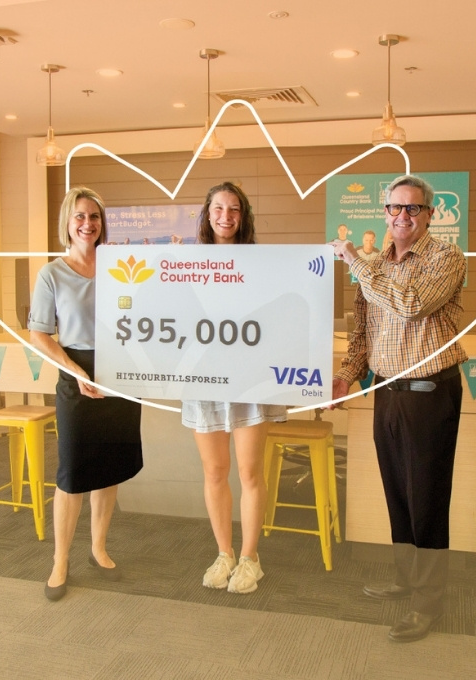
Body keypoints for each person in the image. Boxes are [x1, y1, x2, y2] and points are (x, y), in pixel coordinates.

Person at [329, 175, 467, 642]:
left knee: (427, 494)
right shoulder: (376, 263)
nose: (402, 217)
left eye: (413, 209)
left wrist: (355, 262)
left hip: (430, 391)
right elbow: (362, 330)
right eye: (395, 208)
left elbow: (410, 305)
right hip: (386, 390)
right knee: (398, 490)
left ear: (429, 215)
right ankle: (406, 578)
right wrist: (348, 372)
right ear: (384, 213)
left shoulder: (446, 258)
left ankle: (428, 603)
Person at [28, 186, 143, 601]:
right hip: (75, 371)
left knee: (109, 466)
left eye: (94, 216)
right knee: (73, 471)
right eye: (80, 216)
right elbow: (38, 333)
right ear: (68, 222)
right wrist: (74, 369)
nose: (87, 224)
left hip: (120, 371)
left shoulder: (119, 266)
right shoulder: (52, 274)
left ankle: (98, 547)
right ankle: (60, 560)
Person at [181, 181, 287, 594]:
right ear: (207, 214)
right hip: (204, 380)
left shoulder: (261, 262)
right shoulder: (187, 262)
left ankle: (250, 558)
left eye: (234, 209)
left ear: (243, 216)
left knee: (248, 472)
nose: (226, 216)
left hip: (248, 379)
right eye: (219, 208)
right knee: (214, 471)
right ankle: (223, 553)